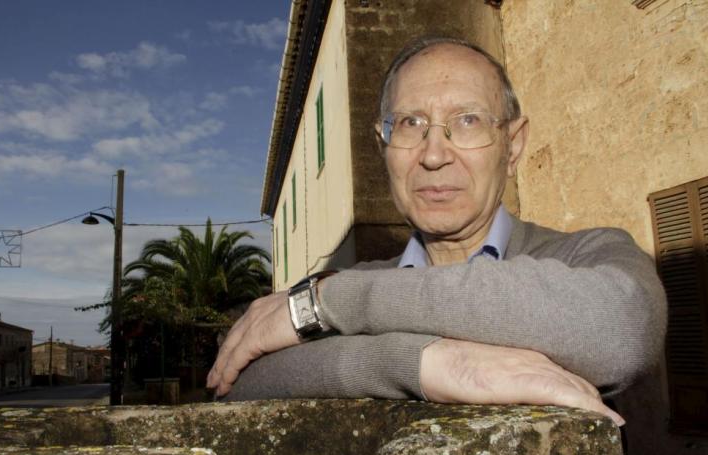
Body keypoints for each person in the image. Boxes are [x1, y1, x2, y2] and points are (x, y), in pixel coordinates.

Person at [206, 36, 667, 426]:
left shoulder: (586, 253)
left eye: (468, 121)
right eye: (411, 123)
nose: (433, 155)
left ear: (513, 146)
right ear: (383, 146)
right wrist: (426, 363)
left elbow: (624, 331)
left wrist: (335, 301)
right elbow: (235, 383)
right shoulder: (363, 280)